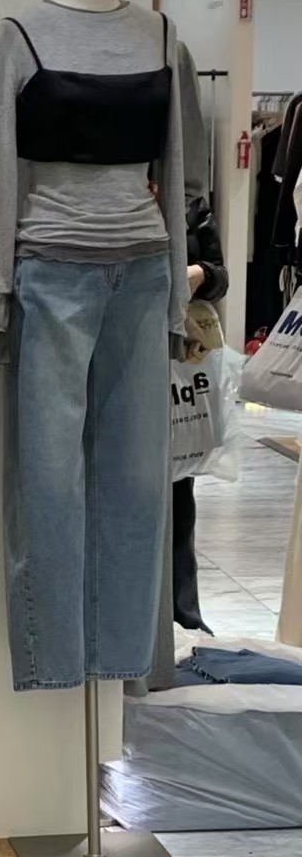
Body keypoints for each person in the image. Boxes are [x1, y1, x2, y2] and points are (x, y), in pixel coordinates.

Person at [175, 196, 229, 632]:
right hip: (128, 356)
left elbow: (220, 276)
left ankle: (184, 616)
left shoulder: (192, 205)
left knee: (179, 487)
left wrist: (201, 274)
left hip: (182, 363)